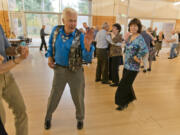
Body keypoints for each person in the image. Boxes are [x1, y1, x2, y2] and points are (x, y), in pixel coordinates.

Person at [44, 7, 94, 130]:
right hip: (59, 70)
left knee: (78, 97)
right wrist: (50, 57)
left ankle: (80, 118)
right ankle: (48, 117)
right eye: (70, 20)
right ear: (63, 20)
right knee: (54, 95)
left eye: (75, 21)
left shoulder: (80, 36)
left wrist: (88, 47)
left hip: (76, 71)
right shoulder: (56, 31)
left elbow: (87, 59)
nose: (73, 23)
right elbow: (50, 45)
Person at [0, 24, 29, 135]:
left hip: (7, 76)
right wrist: (20, 59)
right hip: (3, 69)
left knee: (21, 110)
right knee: (1, 119)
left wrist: (17, 50)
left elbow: (7, 49)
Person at [115, 18, 148, 110]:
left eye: (135, 26)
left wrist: (137, 56)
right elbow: (127, 47)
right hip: (126, 65)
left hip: (133, 67)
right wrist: (124, 41)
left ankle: (122, 103)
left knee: (123, 84)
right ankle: (131, 97)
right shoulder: (130, 36)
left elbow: (145, 49)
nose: (133, 27)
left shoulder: (140, 38)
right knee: (127, 83)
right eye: (131, 25)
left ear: (138, 27)